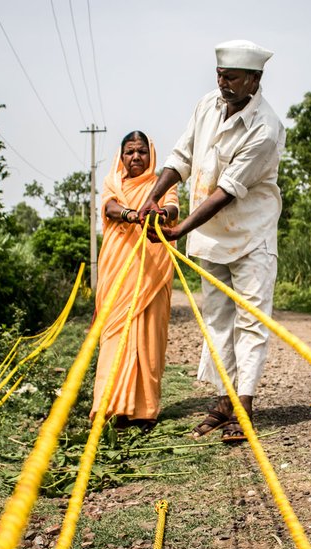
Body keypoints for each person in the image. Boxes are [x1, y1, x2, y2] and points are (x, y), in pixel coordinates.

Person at [139, 40, 285, 443]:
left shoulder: (266, 129)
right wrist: (152, 197)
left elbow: (226, 191)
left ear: (255, 80)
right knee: (218, 320)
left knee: (251, 322)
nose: (223, 83)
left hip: (251, 236)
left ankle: (245, 405)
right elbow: (181, 157)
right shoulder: (207, 105)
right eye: (219, 74)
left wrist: (179, 228)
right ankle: (224, 400)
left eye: (232, 77)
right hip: (211, 238)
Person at [89, 130, 180, 432]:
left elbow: (173, 207)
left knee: (149, 339)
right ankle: (110, 406)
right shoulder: (112, 182)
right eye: (130, 152)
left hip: (152, 272)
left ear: (150, 155)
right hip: (117, 272)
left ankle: (144, 411)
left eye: (142, 151)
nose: (136, 157)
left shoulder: (161, 184)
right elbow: (110, 208)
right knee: (114, 338)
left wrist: (160, 212)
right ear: (121, 155)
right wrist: (132, 214)